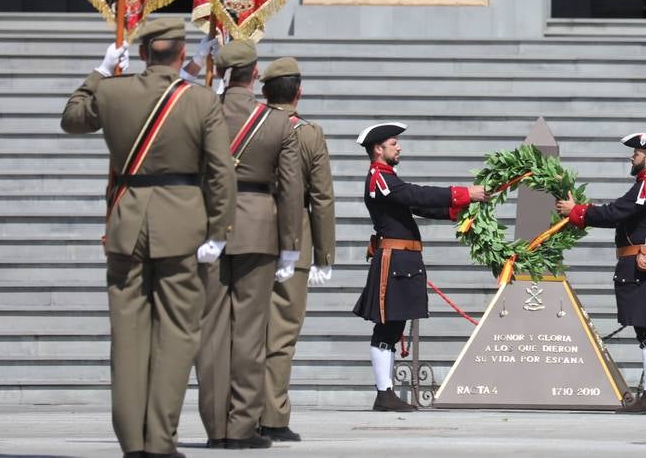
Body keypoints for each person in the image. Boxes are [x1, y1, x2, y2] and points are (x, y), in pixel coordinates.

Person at [61, 16, 235, 458]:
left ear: (140, 54)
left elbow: (72, 118)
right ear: (180, 54)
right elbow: (219, 172)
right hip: (182, 225)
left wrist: (99, 72)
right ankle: (160, 440)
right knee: (177, 334)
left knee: (128, 336)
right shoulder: (199, 101)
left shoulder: (112, 92)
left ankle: (132, 443)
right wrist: (219, 229)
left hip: (126, 224)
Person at [196, 39, 304, 450]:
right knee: (250, 333)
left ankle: (214, 426)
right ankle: (241, 426)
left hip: (208, 225)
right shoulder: (277, 122)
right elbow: (292, 190)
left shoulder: (203, 113)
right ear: (255, 74)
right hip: (260, 226)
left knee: (210, 333)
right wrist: (291, 245)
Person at [353, 122, 488, 411]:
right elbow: (416, 195)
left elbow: (420, 207)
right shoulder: (380, 178)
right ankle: (384, 393)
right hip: (394, 261)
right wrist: (463, 193)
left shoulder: (389, 178)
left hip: (404, 261)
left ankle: (385, 393)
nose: (398, 146)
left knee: (393, 326)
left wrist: (458, 208)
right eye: (393, 143)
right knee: (387, 328)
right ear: (378, 149)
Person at [556, 132, 646, 415]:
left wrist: (577, 211)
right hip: (641, 265)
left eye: (636, 153)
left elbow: (616, 212)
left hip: (640, 267)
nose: (632, 157)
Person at [258, 57, 336, 443]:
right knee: (282, 335)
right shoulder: (308, 134)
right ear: (298, 93)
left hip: (248, 236)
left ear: (264, 92)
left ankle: (239, 412)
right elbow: (321, 198)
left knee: (244, 331)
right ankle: (272, 415)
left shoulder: (249, 127)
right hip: (296, 241)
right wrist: (324, 254)